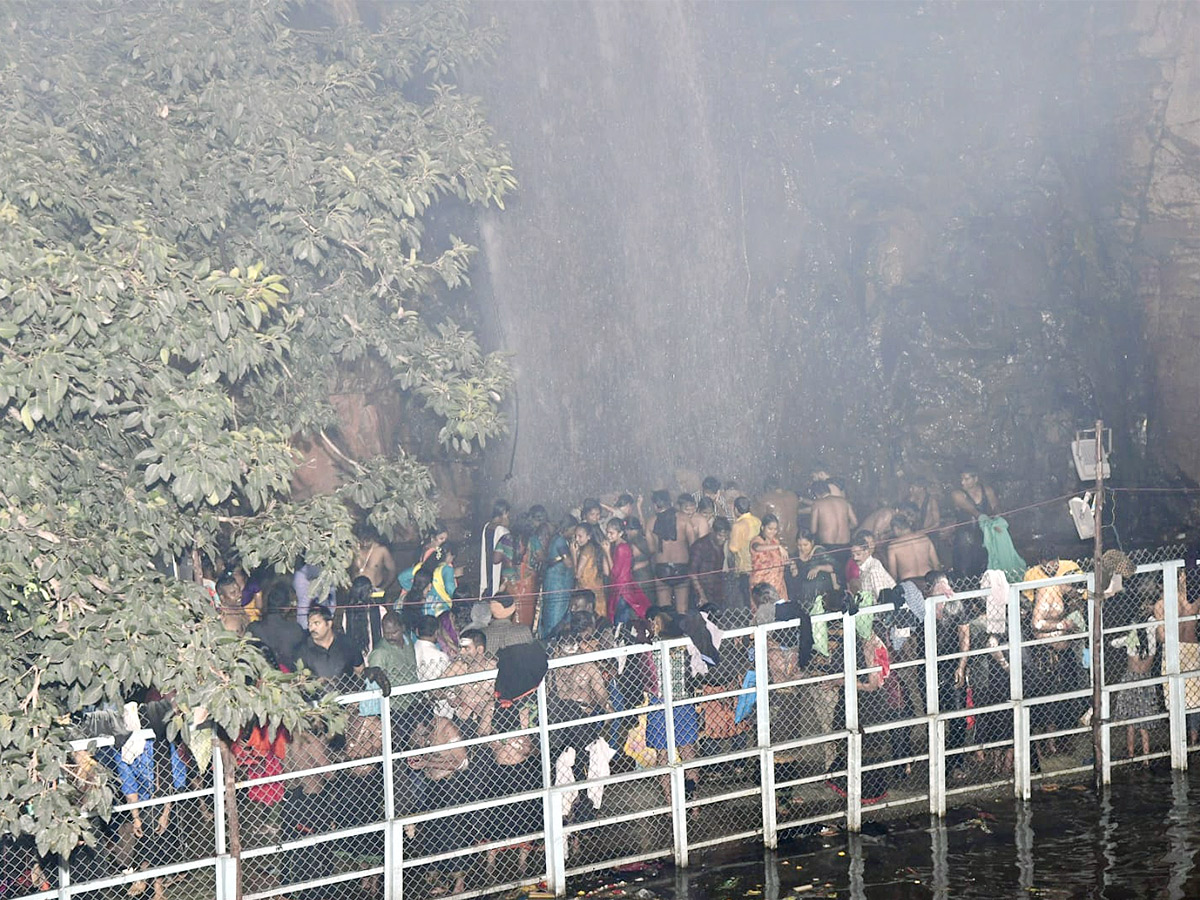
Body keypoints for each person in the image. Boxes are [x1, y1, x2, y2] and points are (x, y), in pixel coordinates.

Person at [1155, 565, 1200, 744]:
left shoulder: (1161, 605)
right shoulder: (1193, 602)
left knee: (1175, 698)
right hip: (1193, 648)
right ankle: (1194, 739)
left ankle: (1179, 739)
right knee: (1195, 698)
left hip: (1175, 650)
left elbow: (1162, 636)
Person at [1113, 607, 1158, 765]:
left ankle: (1131, 754)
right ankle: (1146, 757)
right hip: (1145, 681)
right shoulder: (1151, 643)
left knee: (1131, 723)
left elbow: (1114, 643)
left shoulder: (1131, 639)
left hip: (1131, 681)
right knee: (1143, 724)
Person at [645, 491, 694, 613]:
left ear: (655, 505)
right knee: (682, 609)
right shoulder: (684, 519)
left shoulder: (650, 522)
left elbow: (651, 549)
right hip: (681, 567)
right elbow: (694, 544)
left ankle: (666, 630)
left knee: (664, 610)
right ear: (670, 503)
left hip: (662, 568)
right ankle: (681, 630)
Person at [442, 629, 496, 738]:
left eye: (466, 648)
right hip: (464, 721)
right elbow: (436, 687)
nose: (461, 652)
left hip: (490, 720)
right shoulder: (458, 667)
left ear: (480, 649)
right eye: (460, 648)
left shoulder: (493, 667)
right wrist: (450, 695)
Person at [297, 603, 361, 689]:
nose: (312, 628)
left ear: (329, 624)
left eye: (316, 623)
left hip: (348, 698)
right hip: (318, 701)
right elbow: (299, 683)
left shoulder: (347, 644)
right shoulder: (302, 651)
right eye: (310, 624)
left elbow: (359, 671)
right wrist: (315, 683)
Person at [949, 467, 998, 578]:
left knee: (984, 566)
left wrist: (999, 519)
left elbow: (995, 506)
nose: (962, 482)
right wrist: (983, 517)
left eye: (966, 479)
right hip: (965, 537)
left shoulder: (987, 490)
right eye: (961, 479)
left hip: (983, 534)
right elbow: (972, 510)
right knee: (965, 569)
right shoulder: (957, 494)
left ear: (975, 479)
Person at [248, 582, 307, 671]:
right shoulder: (296, 630)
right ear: (287, 608)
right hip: (290, 681)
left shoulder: (253, 629)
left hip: (263, 681)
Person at [602, 518, 651, 623]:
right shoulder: (619, 546)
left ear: (620, 533)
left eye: (611, 533)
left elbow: (614, 572)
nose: (608, 535)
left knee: (621, 620)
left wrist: (606, 553)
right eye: (607, 532)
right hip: (622, 587)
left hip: (622, 589)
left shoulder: (621, 548)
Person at [540, 515, 577, 639]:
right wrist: (574, 553)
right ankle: (551, 643)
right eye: (573, 529)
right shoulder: (560, 541)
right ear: (568, 528)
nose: (574, 533)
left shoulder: (556, 539)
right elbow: (569, 563)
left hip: (558, 583)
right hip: (557, 585)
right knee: (555, 616)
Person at [784, 529, 837, 611]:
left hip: (820, 594)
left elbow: (833, 567)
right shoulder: (795, 556)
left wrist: (818, 568)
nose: (802, 548)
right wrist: (794, 570)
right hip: (804, 597)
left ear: (812, 542)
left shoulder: (819, 552)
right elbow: (795, 578)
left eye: (805, 545)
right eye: (799, 545)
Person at [367, 611, 418, 697]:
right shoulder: (380, 652)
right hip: (394, 704)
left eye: (394, 633)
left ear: (403, 628)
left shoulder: (408, 642)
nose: (390, 637)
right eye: (386, 633)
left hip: (414, 700)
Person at [809, 480, 857, 564]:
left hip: (828, 546)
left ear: (816, 494)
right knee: (844, 574)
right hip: (845, 545)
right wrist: (845, 528)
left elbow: (813, 530)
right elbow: (855, 523)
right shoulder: (844, 502)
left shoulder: (817, 504)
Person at [727, 496, 761, 610]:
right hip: (758, 566)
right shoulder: (757, 521)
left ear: (735, 509)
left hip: (745, 568)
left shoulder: (738, 525)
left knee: (748, 599)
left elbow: (733, 548)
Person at [886, 513, 941, 582]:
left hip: (909, 582)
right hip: (928, 579)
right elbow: (936, 564)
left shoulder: (893, 545)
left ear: (896, 528)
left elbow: (893, 574)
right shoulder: (925, 538)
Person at [749, 514, 790, 609]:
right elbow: (757, 547)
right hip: (763, 588)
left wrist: (791, 564)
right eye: (770, 529)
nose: (773, 532)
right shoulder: (756, 540)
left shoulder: (775, 541)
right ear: (763, 527)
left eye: (775, 529)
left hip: (778, 585)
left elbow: (780, 559)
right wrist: (778, 547)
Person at [690, 516, 730, 610]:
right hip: (701, 591)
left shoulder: (723, 545)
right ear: (712, 532)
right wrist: (701, 595)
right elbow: (692, 573)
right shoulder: (700, 546)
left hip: (717, 591)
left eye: (725, 536)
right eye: (720, 535)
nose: (723, 539)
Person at [479, 499, 515, 598]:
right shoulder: (504, 532)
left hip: (486, 577)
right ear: (504, 513)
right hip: (498, 577)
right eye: (508, 514)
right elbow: (508, 559)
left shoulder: (487, 527)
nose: (509, 518)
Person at [755, 477, 800, 552]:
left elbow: (759, 521)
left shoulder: (766, 499)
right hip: (794, 542)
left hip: (777, 544)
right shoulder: (793, 496)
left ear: (767, 488)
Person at [571, 523, 607, 618]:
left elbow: (577, 575)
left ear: (589, 537)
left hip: (589, 591)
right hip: (597, 590)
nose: (577, 539)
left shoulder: (586, 551)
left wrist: (573, 554)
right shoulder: (593, 548)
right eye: (575, 536)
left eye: (580, 536)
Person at [351, 526, 397, 595]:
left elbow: (392, 571)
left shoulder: (382, 550)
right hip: (356, 590)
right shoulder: (354, 549)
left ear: (373, 538)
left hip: (374, 590)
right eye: (362, 541)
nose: (365, 544)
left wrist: (383, 588)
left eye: (368, 541)